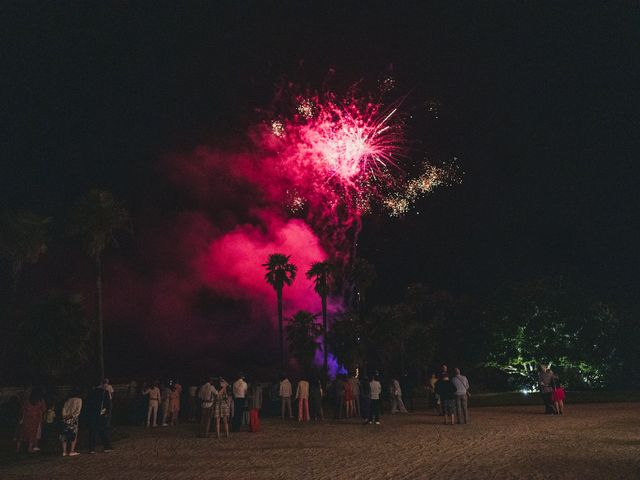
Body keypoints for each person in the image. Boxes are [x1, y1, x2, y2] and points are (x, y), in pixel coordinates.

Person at [16, 387, 46, 453]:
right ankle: (30, 448)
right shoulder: (40, 401)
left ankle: (17, 448)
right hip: (35, 419)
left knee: (22, 433)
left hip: (27, 418)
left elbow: (23, 409)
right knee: (33, 433)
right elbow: (43, 409)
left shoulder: (28, 400)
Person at [86, 383, 113, 453]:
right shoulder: (104, 392)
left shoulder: (92, 392)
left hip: (93, 414)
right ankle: (106, 447)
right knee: (103, 431)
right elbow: (108, 404)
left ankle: (92, 448)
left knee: (93, 432)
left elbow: (88, 404)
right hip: (101, 414)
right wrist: (106, 412)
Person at [60, 387, 82, 457]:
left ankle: (64, 451)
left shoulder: (67, 400)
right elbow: (77, 411)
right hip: (73, 419)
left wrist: (65, 416)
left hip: (65, 419)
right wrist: (71, 416)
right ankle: (72, 450)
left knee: (64, 435)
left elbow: (63, 409)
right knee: (73, 435)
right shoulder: (79, 400)